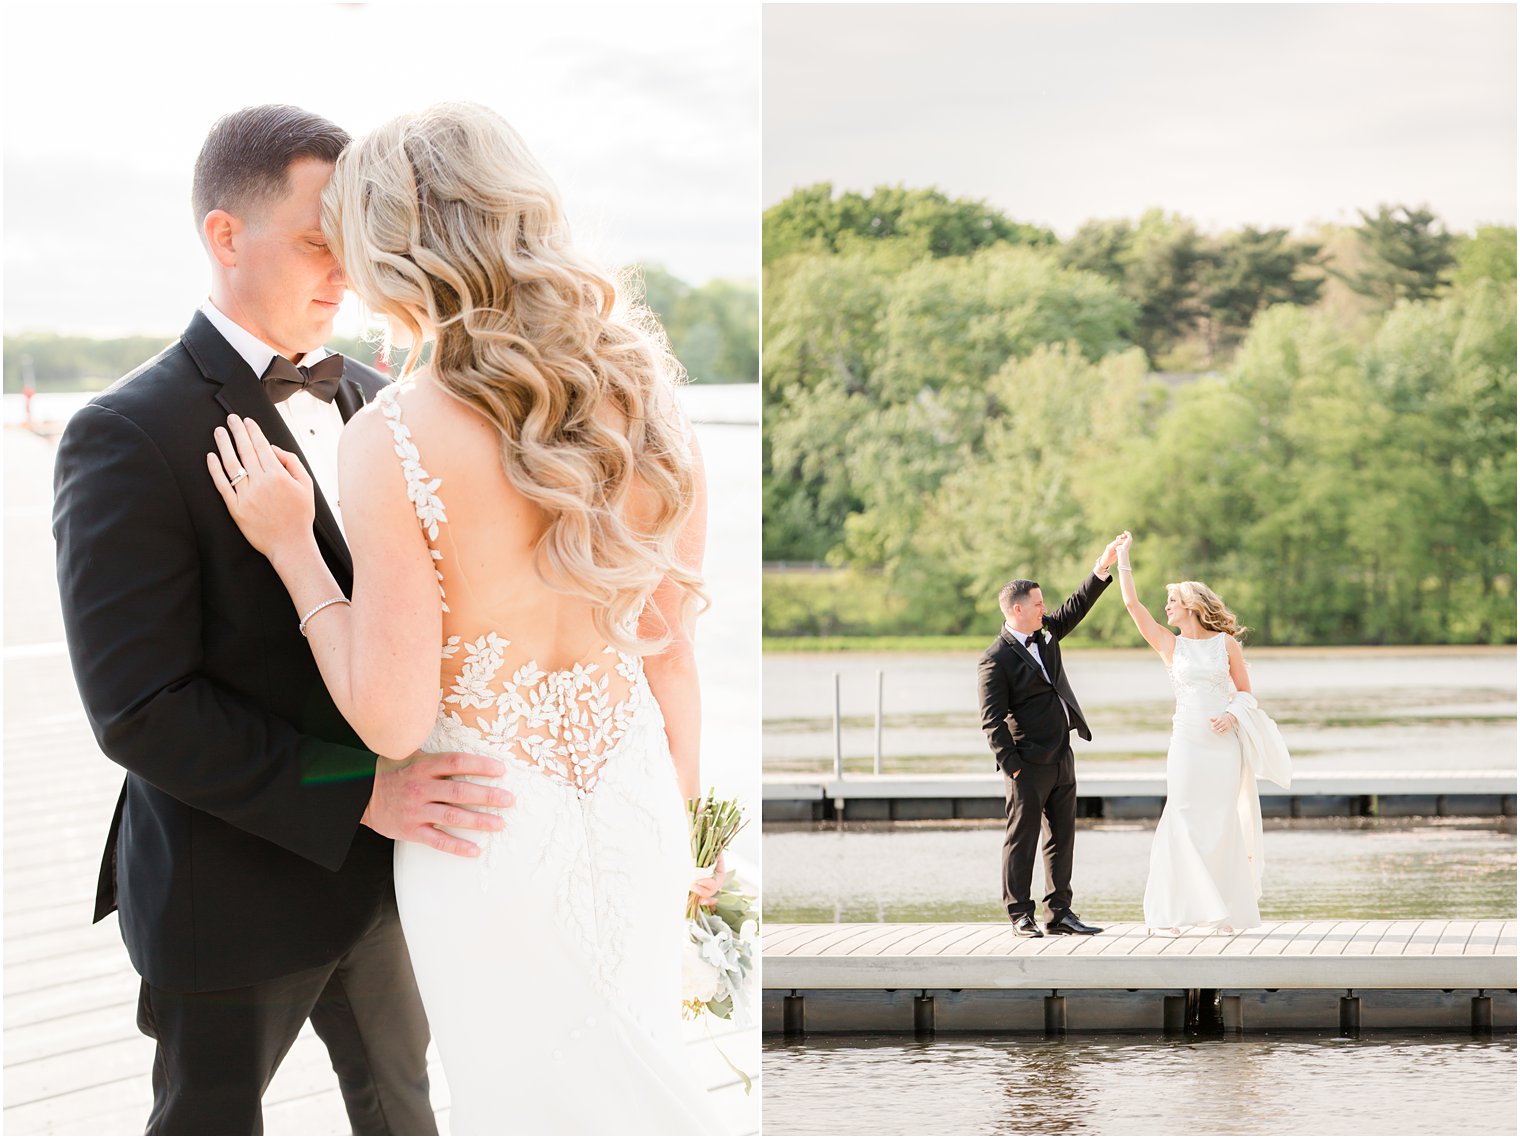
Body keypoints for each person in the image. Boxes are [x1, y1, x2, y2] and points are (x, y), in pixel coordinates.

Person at [207, 103, 722, 1134]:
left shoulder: (396, 431)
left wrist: (293, 549)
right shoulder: (648, 397)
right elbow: (671, 663)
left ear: (393, 243)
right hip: (636, 817)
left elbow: (393, 723)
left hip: (489, 837)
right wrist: (684, 834)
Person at [52, 104, 517, 1135]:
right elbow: (140, 707)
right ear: (225, 236)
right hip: (225, 886)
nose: (345, 272)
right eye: (318, 243)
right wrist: (360, 791)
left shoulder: (376, 396)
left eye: (354, 244)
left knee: (404, 1112)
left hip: (389, 883)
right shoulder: (125, 432)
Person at [1112, 531, 1291, 934]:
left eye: (1172, 601)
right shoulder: (1168, 645)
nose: (1167, 607)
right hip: (1188, 744)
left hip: (1223, 746)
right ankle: (1173, 911)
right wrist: (1123, 558)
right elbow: (1131, 604)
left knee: (1222, 821)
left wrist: (1232, 715)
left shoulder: (1226, 644)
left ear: (1190, 606)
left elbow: (1246, 694)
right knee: (1182, 818)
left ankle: (1222, 911)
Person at [977, 537, 1124, 938]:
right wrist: (1015, 769)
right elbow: (991, 722)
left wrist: (1102, 567)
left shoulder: (1046, 633)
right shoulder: (995, 659)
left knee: (1062, 837)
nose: (1046, 609)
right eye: (1039, 604)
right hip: (1027, 763)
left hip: (1062, 754)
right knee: (1021, 839)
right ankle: (1019, 915)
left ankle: (1059, 913)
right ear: (1018, 609)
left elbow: (1076, 606)